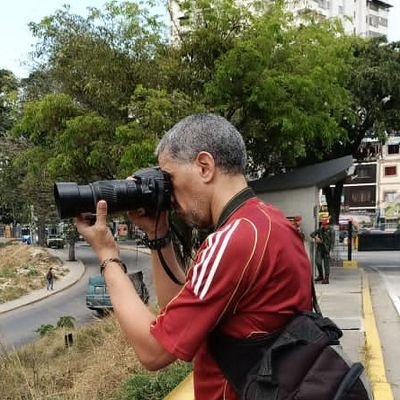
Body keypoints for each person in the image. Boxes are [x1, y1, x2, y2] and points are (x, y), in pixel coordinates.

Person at [74, 113, 312, 400]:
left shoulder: (234, 241)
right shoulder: (271, 224)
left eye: (169, 178)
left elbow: (153, 351)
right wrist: (158, 234)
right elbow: (177, 318)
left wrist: (107, 255)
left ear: (204, 166)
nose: (169, 195)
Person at [310, 220, 334, 284]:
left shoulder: (331, 231)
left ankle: (326, 278)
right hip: (320, 248)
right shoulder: (320, 230)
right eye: (324, 225)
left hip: (327, 249)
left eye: (326, 225)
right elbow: (312, 234)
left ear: (328, 225)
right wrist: (316, 238)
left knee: (326, 265)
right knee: (318, 262)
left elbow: (332, 242)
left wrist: (331, 250)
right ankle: (321, 275)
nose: (325, 226)